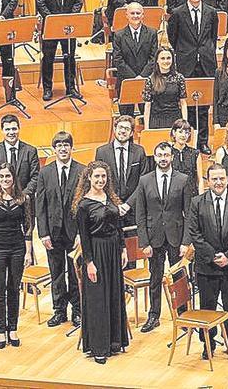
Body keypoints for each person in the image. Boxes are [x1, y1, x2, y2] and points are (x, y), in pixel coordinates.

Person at [186, 164, 228, 358]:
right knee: (207, 306)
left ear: (227, 179)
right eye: (214, 179)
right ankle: (208, 344)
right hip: (206, 265)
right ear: (208, 181)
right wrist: (213, 256)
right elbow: (195, 233)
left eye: (221, 178)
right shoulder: (197, 202)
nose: (218, 182)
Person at [74, 162, 132, 363]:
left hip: (113, 251)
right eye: (97, 176)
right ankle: (99, 347)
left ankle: (115, 342)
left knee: (114, 295)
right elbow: (84, 236)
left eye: (103, 177)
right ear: (89, 177)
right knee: (98, 299)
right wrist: (89, 262)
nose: (100, 180)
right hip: (96, 253)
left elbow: (118, 226)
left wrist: (123, 248)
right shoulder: (83, 205)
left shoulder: (111, 198)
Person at [131, 142, 192, 333]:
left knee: (178, 276)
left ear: (172, 156)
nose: (163, 158)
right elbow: (140, 214)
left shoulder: (183, 179)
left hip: (176, 236)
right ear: (155, 157)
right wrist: (144, 242)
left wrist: (185, 241)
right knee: (155, 278)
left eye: (166, 155)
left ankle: (183, 315)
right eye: (159, 155)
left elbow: (189, 213)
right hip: (154, 237)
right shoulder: (144, 180)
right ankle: (154, 315)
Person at [0, 162, 34, 349]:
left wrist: (28, 252)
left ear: (14, 178)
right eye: (2, 176)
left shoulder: (23, 199)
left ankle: (13, 328)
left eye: (8, 176)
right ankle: (0, 330)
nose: (5, 179)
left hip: (17, 248)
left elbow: (27, 227)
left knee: (13, 289)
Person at [34, 132, 82, 328]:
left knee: (74, 272)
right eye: (59, 145)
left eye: (66, 145)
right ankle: (59, 310)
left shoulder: (82, 170)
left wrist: (81, 233)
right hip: (53, 232)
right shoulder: (45, 172)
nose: (63, 148)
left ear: (71, 148)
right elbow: (41, 205)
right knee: (56, 273)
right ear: (54, 149)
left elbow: (84, 205)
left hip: (74, 233)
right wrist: (43, 232)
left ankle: (77, 311)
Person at [167, 0, 219, 142]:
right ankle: (187, 139)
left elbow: (213, 36)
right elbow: (172, 38)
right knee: (187, 103)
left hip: (206, 63)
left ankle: (202, 141)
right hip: (186, 63)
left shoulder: (211, 12)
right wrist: (185, 52)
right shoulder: (177, 13)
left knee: (204, 105)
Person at [35, 0, 84, 101]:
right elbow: (40, 3)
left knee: (69, 57)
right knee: (48, 58)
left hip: (68, 27)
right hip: (51, 26)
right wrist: (53, 19)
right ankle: (47, 89)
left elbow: (78, 2)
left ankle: (71, 88)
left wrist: (67, 18)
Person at [111, 2, 157, 117]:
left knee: (147, 116)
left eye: (138, 13)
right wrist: (134, 78)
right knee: (126, 118)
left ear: (143, 15)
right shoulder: (118, 35)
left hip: (147, 80)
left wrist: (142, 77)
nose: (135, 16)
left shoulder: (152, 33)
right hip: (125, 81)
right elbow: (118, 59)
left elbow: (154, 58)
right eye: (132, 13)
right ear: (126, 15)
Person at [95, 115, 148, 213]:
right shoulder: (102, 152)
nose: (123, 131)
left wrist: (128, 204)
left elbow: (143, 181)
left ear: (131, 133)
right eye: (120, 127)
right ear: (114, 129)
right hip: (110, 206)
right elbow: (99, 181)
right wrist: (115, 204)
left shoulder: (139, 151)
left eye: (127, 129)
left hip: (134, 205)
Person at [0, 114, 40, 202]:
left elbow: (35, 177)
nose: (11, 132)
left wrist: (23, 195)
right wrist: (1, 195)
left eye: (14, 129)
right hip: (0, 201)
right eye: (7, 129)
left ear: (19, 129)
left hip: (24, 200)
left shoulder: (30, 151)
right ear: (2, 131)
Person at [143, 47, 188, 130]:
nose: (166, 61)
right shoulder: (150, 79)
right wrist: (146, 128)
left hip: (175, 119)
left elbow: (183, 103)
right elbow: (147, 106)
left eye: (168, 58)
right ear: (157, 60)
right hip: (156, 120)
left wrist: (184, 123)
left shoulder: (179, 78)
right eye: (162, 58)